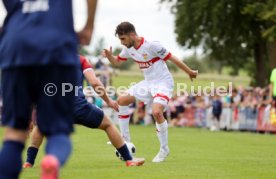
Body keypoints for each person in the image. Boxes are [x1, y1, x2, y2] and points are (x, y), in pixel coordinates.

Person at [0, 0, 97, 179]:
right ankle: (52, 159)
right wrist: (89, 26)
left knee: (14, 134)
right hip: (57, 47)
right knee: (58, 132)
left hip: (16, 48)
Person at [22, 55, 145, 169]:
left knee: (40, 128)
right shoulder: (80, 59)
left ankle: (28, 162)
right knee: (108, 124)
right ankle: (129, 159)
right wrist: (108, 101)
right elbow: (95, 83)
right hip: (77, 107)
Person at [102, 21, 198, 163]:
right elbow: (117, 62)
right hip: (148, 83)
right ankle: (125, 140)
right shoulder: (128, 48)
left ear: (132, 34)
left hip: (163, 82)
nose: (122, 42)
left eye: (123, 39)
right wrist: (110, 56)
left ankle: (164, 149)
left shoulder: (152, 45)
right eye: (120, 39)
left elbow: (172, 58)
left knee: (157, 112)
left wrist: (189, 71)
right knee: (121, 101)